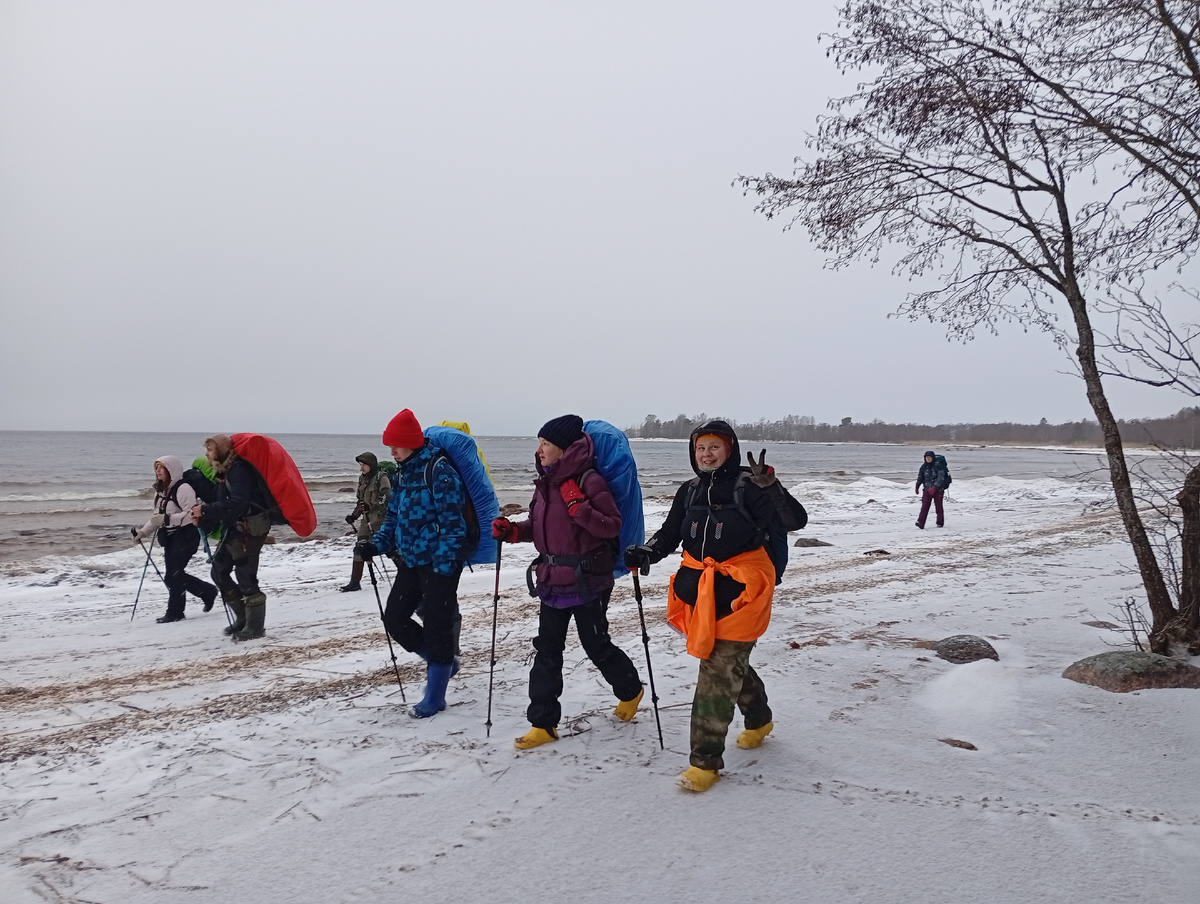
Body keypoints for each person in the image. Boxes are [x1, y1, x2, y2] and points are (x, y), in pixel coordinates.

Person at [623, 419, 807, 792]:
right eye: (700, 448)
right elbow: (671, 533)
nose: (706, 454)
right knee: (729, 665)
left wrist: (773, 487)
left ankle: (704, 763)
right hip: (704, 592)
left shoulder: (750, 488)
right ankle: (759, 719)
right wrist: (647, 552)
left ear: (729, 451)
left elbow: (794, 520)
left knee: (717, 671)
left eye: (714, 448)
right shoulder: (688, 491)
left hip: (744, 592)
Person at [491, 414, 644, 751]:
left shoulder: (589, 481)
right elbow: (540, 526)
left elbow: (611, 526)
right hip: (551, 581)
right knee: (547, 652)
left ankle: (631, 691)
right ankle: (543, 724)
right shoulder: (546, 484)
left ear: (563, 449)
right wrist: (514, 531)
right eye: (540, 442)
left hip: (589, 580)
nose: (539, 449)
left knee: (597, 647)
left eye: (545, 443)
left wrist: (579, 507)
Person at [356, 409, 468, 718]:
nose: (391, 451)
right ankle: (443, 662)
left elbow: (453, 524)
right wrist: (375, 545)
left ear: (411, 443)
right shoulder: (402, 472)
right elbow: (393, 519)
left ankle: (435, 696)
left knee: (437, 626)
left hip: (438, 563)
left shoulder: (439, 471)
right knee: (394, 618)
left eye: (396, 445)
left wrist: (444, 567)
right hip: (410, 560)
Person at [189, 433, 273, 641]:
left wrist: (206, 510)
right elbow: (222, 503)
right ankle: (242, 617)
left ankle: (254, 627)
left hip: (249, 530)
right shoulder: (224, 471)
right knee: (219, 571)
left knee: (246, 577)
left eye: (210, 449)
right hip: (233, 529)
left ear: (220, 450)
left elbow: (238, 503)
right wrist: (204, 514)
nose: (206, 454)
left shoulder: (239, 471)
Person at [132, 455, 216, 623]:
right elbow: (157, 516)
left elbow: (192, 513)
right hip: (170, 537)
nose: (158, 471)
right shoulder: (161, 490)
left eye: (161, 468)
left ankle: (176, 611)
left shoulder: (183, 488)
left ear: (171, 470)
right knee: (173, 575)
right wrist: (143, 532)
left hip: (187, 535)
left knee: (173, 575)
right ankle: (207, 592)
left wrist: (168, 520)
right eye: (156, 468)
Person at [341, 452, 391, 592]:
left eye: (364, 465)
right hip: (367, 519)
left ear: (371, 464)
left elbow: (387, 497)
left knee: (390, 548)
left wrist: (373, 506)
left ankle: (408, 575)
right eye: (360, 465)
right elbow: (361, 502)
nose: (361, 468)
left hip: (382, 518)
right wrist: (354, 516)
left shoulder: (382, 478)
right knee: (360, 547)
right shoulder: (362, 479)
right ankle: (355, 582)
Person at [915, 449, 948, 529]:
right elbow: (920, 477)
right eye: (926, 457)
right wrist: (917, 486)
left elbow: (941, 478)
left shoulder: (938, 466)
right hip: (927, 490)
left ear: (933, 458)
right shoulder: (923, 467)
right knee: (924, 507)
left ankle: (940, 522)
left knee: (939, 507)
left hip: (938, 490)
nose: (928, 459)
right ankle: (921, 523)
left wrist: (934, 487)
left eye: (929, 457)